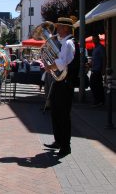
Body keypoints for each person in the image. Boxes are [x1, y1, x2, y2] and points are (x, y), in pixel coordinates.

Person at [44, 17, 79, 157]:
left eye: (59, 27)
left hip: (65, 83)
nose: (57, 29)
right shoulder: (64, 43)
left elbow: (62, 63)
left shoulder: (68, 43)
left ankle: (66, 146)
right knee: (55, 112)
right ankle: (59, 141)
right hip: (61, 82)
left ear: (65, 28)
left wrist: (49, 66)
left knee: (63, 115)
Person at [89, 35, 105, 106]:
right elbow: (94, 59)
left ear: (98, 40)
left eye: (94, 39)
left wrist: (103, 69)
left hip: (98, 70)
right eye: (93, 39)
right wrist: (90, 64)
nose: (93, 41)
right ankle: (98, 100)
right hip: (94, 69)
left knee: (97, 86)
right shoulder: (95, 48)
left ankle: (100, 101)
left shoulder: (100, 48)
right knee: (94, 85)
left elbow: (104, 59)